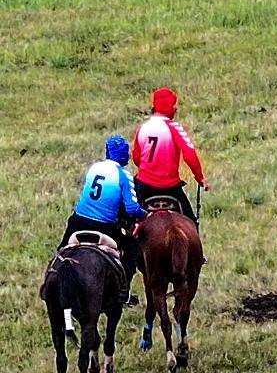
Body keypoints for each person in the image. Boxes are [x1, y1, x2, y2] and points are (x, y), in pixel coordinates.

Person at [58, 135, 146, 295]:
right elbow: (132, 208)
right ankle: (123, 290)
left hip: (78, 220)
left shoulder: (94, 168)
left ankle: (53, 278)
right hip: (104, 226)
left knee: (62, 250)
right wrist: (143, 215)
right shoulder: (124, 176)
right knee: (132, 247)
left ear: (108, 152)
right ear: (125, 156)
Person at [132, 87, 209, 225]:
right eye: (174, 105)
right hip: (170, 187)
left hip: (144, 186)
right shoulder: (174, 127)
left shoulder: (142, 129)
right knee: (191, 223)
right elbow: (189, 154)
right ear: (167, 106)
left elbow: (137, 159)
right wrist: (200, 178)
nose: (176, 109)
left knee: (126, 221)